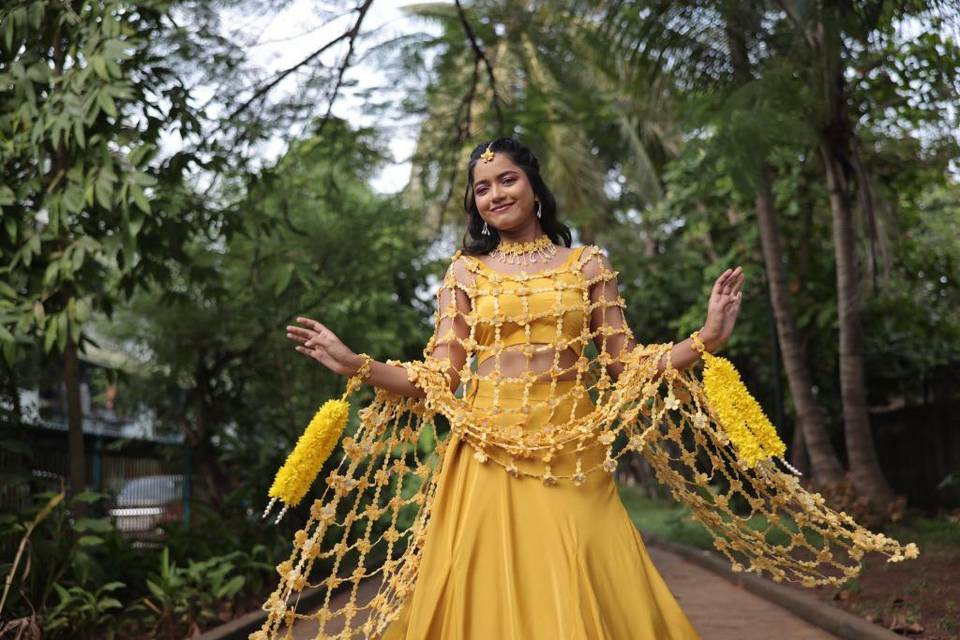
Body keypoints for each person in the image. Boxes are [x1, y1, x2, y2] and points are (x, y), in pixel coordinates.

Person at [255, 137, 917, 640]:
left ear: (535, 189)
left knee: (589, 564)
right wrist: (355, 365)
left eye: (506, 179)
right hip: (484, 454)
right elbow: (437, 379)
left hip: (572, 451)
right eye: (481, 188)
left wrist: (705, 339)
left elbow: (627, 364)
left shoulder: (587, 265)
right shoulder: (465, 273)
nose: (494, 195)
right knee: (480, 587)